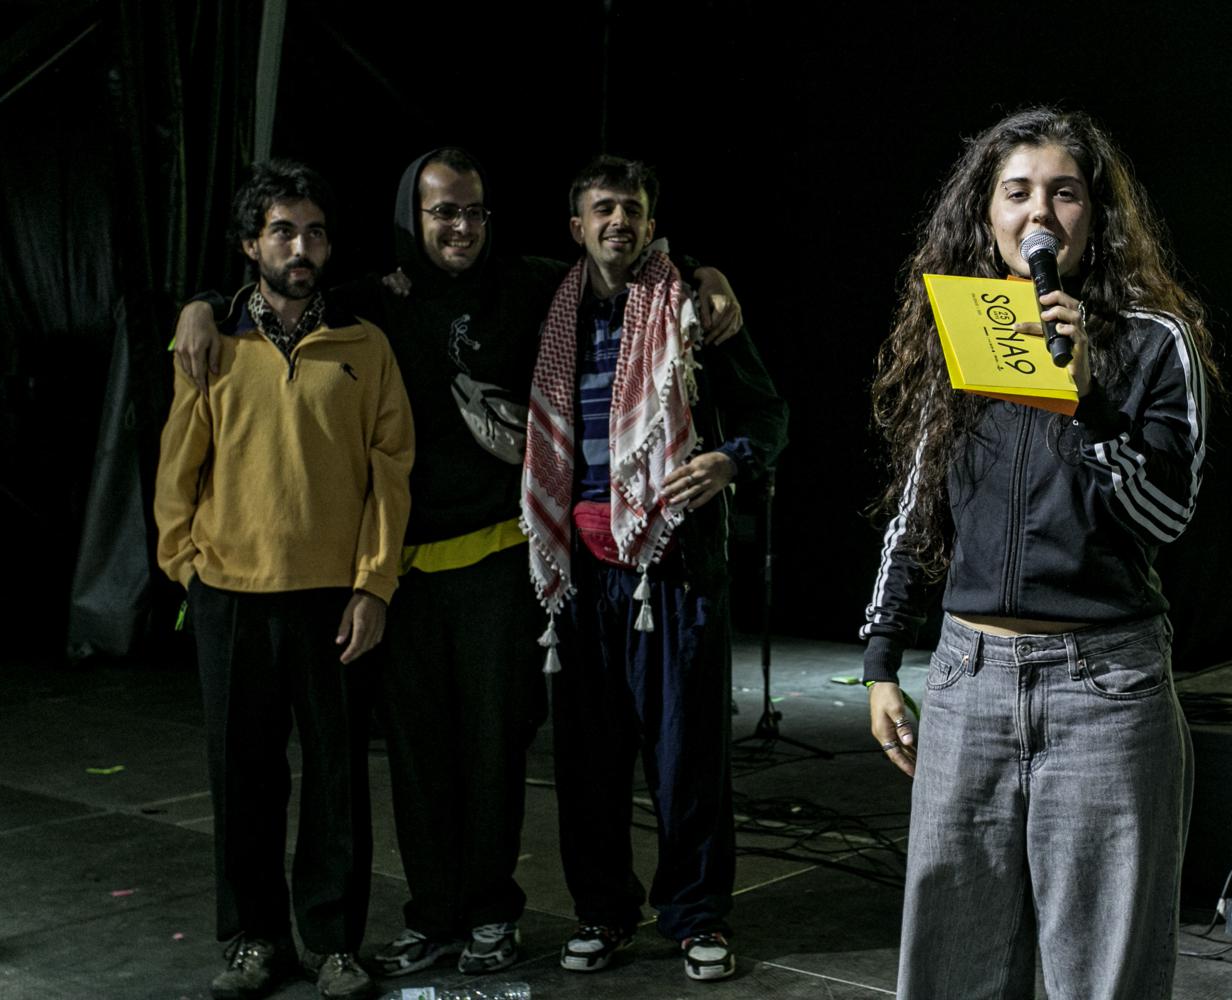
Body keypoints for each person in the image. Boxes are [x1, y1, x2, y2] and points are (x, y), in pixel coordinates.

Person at [171, 148, 745, 980]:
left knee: (494, 752)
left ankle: (491, 914)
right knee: (416, 759)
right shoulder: (370, 301)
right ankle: (432, 916)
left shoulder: (528, 285)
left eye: (474, 211)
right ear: (413, 216)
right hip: (402, 573)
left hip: (499, 561)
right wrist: (199, 304)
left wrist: (705, 274)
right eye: (443, 211)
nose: (461, 227)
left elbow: (618, 257)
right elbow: (279, 288)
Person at [861, 107, 1216, 1000]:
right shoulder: (962, 326)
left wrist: (1090, 402)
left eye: (1065, 193)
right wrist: (881, 656)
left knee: (1101, 977)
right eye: (1016, 192)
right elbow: (919, 506)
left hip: (1104, 690)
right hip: (968, 683)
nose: (1039, 214)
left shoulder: (1151, 339)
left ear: (1096, 214)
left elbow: (1167, 515)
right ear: (987, 213)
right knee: (950, 969)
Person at [521, 155, 787, 983]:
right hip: (581, 573)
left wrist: (729, 461)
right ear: (577, 226)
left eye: (632, 209)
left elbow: (768, 413)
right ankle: (602, 912)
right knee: (587, 758)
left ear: (651, 223)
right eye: (603, 209)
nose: (619, 223)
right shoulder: (550, 307)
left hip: (672, 567)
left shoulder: (691, 307)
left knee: (686, 755)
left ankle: (696, 916)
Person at [154, 160, 414, 1000]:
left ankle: (334, 944)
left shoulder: (364, 345)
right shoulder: (213, 342)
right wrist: (186, 565)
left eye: (314, 233)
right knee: (243, 777)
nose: (300, 248)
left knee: (338, 780)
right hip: (231, 595)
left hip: (333, 599)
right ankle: (255, 941)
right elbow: (177, 464)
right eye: (282, 232)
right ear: (250, 245)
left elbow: (391, 473)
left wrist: (373, 586)